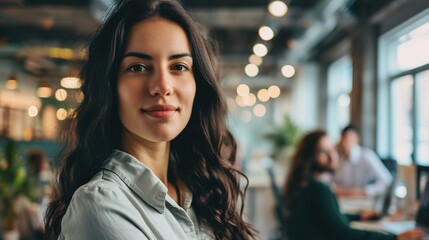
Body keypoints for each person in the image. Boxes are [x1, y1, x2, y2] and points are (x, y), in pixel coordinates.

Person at [44, 0, 256, 239]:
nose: (163, 86)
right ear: (109, 85)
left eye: (178, 66)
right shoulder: (101, 204)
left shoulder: (198, 187)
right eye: (138, 67)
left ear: (198, 83)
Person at [283, 130, 423, 240]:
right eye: (323, 152)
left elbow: (330, 219)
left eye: (332, 149)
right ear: (309, 157)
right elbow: (343, 234)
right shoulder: (317, 188)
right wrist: (395, 238)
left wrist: (359, 216)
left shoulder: (305, 183)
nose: (332, 156)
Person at [333, 124, 393, 197]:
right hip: (341, 199)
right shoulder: (336, 156)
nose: (345, 143)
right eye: (343, 139)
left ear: (357, 139)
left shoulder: (366, 155)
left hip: (361, 200)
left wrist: (365, 191)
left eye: (349, 139)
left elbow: (387, 181)